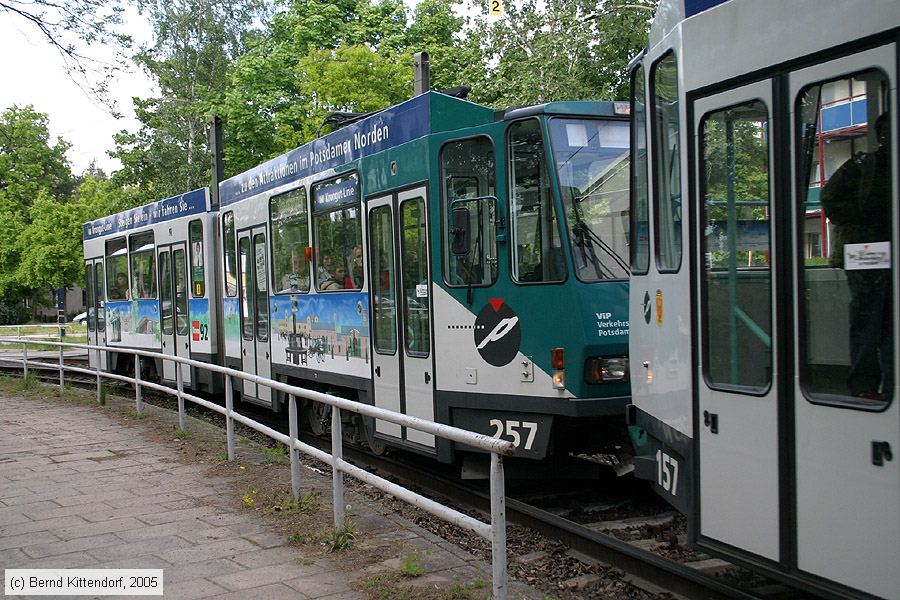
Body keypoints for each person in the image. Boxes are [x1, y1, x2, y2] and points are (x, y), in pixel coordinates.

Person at [821, 112, 893, 400]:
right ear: (882, 135)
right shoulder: (866, 166)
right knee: (870, 318)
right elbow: (829, 198)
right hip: (869, 253)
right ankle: (865, 387)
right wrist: (867, 220)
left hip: (872, 251)